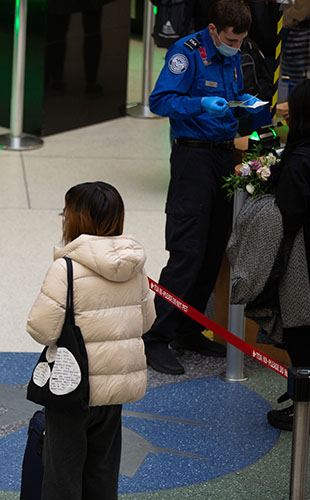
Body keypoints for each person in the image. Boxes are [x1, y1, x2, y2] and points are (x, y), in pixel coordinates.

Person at [146, 0, 266, 375]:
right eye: (231, 39)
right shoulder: (186, 53)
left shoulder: (236, 54)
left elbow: (235, 99)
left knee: (215, 249)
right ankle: (156, 337)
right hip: (192, 159)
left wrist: (246, 105)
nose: (236, 45)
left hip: (224, 156)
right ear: (213, 29)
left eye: (241, 39)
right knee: (188, 250)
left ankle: (188, 328)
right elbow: (160, 101)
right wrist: (200, 104)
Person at [26, 181, 155, 500]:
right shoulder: (133, 265)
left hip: (72, 391)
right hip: (115, 390)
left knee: (62, 478)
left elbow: (41, 329)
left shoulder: (66, 268)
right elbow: (147, 320)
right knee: (102, 473)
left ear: (76, 219)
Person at [266, 79, 310, 431]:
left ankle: (303, 408)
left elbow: (289, 214)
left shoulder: (299, 159)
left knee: (301, 334)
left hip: (304, 263)